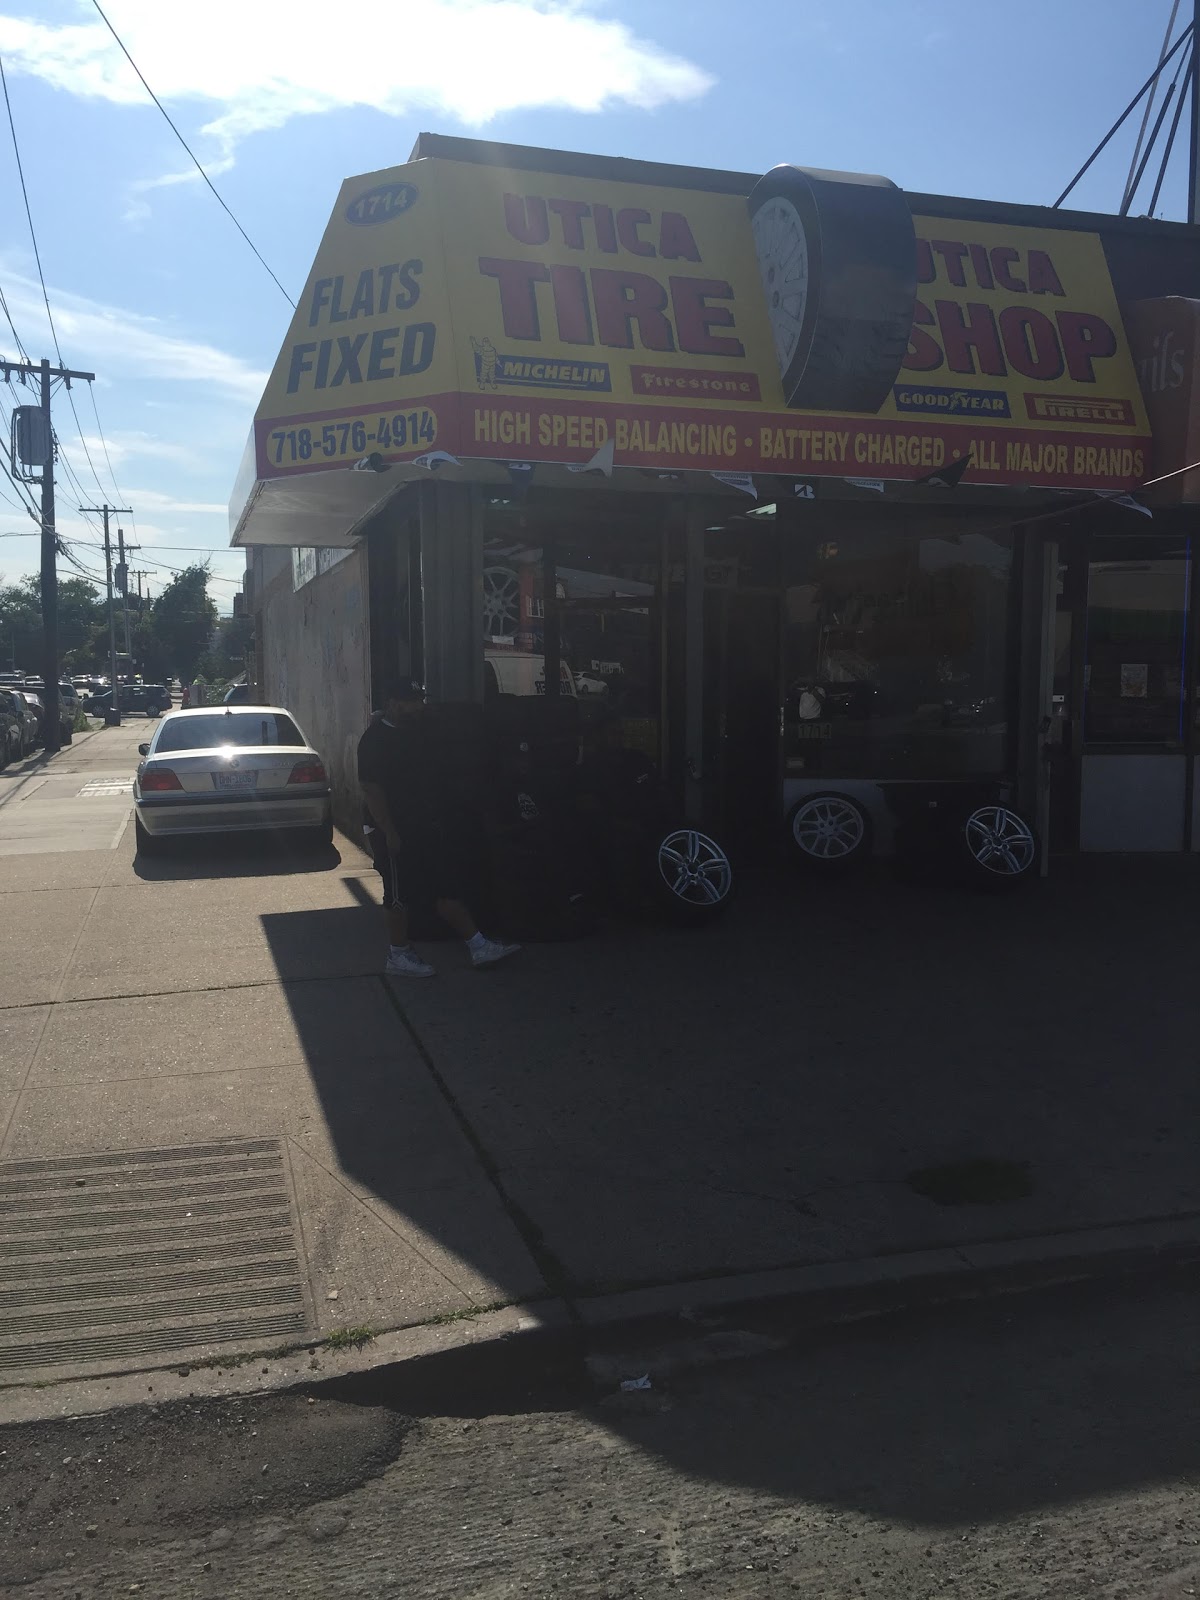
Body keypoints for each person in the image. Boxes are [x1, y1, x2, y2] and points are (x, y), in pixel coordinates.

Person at [358, 680, 520, 978]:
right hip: (391, 829)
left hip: (425, 826)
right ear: (393, 703)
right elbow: (371, 789)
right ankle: (398, 955)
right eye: (410, 702)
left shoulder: (418, 732)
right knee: (397, 895)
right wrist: (390, 832)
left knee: (444, 885)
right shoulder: (375, 740)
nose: (417, 706)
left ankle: (478, 945)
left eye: (419, 701)